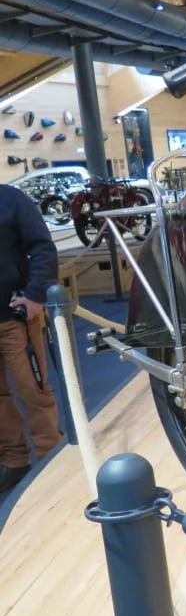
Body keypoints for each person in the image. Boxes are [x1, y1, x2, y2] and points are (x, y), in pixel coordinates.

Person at [0, 184, 61, 492]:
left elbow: (42, 248)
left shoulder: (10, 199)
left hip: (15, 316)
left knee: (33, 391)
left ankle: (53, 456)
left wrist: (35, 295)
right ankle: (14, 460)